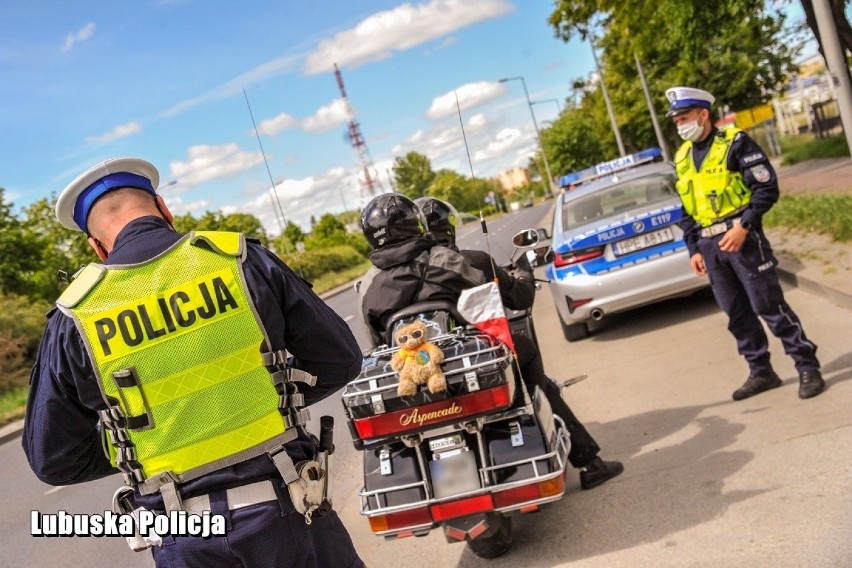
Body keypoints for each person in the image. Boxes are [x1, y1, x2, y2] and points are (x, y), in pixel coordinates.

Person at [23, 157, 365, 568]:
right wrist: (265, 399)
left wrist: (139, 444)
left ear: (97, 246)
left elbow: (54, 458)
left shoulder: (74, 317)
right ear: (164, 209)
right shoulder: (241, 261)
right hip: (289, 508)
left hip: (184, 537)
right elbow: (340, 360)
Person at [359, 193, 622, 490]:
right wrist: (520, 273)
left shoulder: (368, 285)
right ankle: (582, 456)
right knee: (528, 354)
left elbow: (381, 346)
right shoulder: (455, 261)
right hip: (473, 370)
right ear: (415, 224)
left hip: (413, 381)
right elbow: (503, 299)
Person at [665, 86, 825, 401]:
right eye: (676, 121)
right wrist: (694, 249)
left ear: (703, 114)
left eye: (684, 117)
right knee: (736, 313)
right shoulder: (683, 156)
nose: (680, 125)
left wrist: (744, 226)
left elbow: (766, 189)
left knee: (770, 306)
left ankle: (807, 366)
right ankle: (761, 372)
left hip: (743, 239)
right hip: (710, 246)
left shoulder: (735, 144)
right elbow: (687, 208)